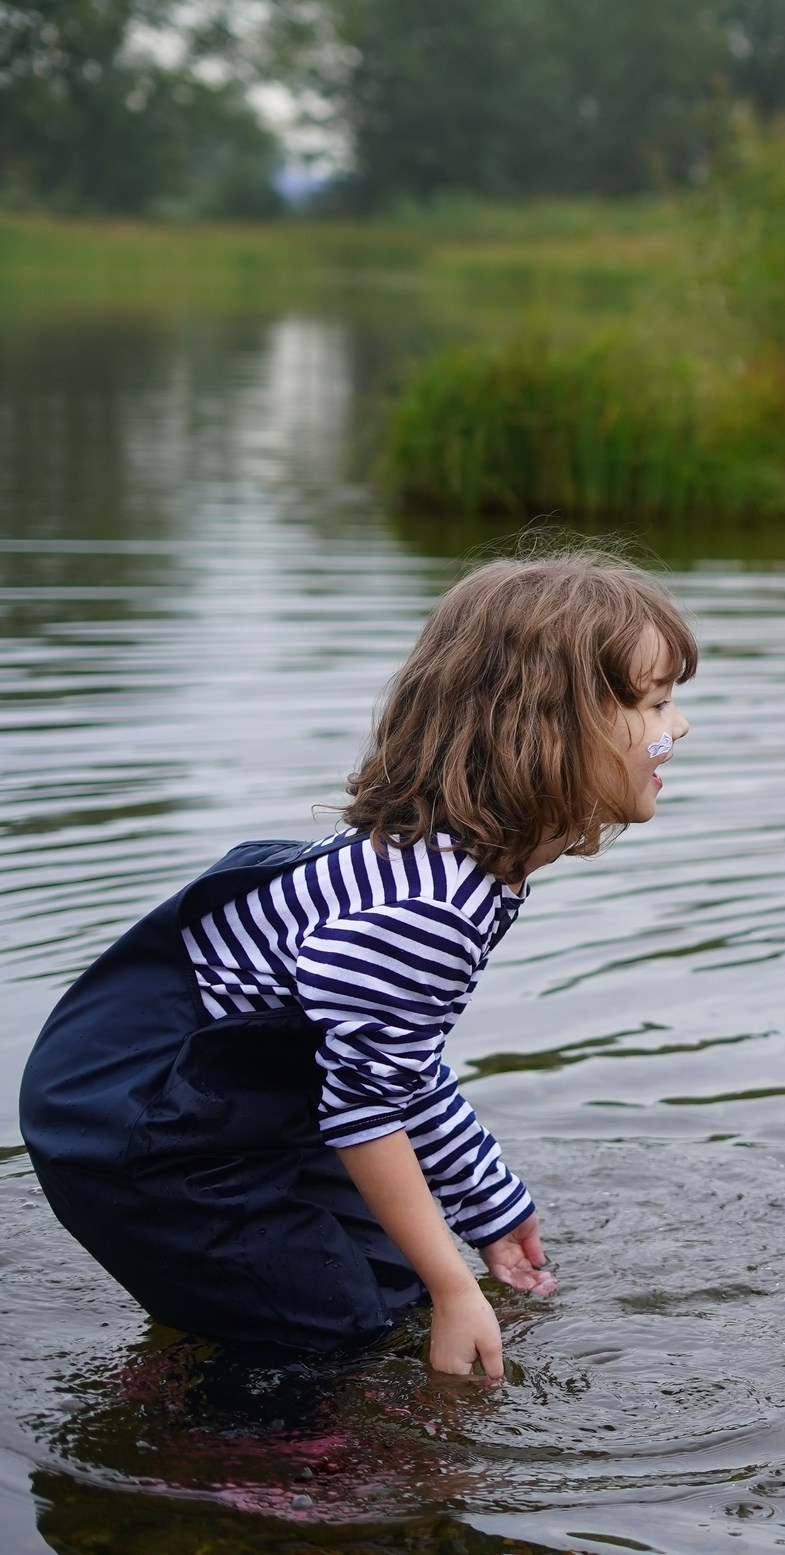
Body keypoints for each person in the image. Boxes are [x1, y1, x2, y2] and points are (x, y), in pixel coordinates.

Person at [20, 547, 696, 1377]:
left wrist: (488, 1206)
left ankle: (226, 1351)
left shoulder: (465, 863)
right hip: (139, 1128)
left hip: (227, 1096)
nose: (680, 727)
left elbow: (396, 1063)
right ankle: (227, 1469)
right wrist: (458, 1287)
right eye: (658, 702)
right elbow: (363, 1111)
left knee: (392, 1283)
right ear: (556, 725)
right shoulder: (428, 903)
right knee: (328, 1321)